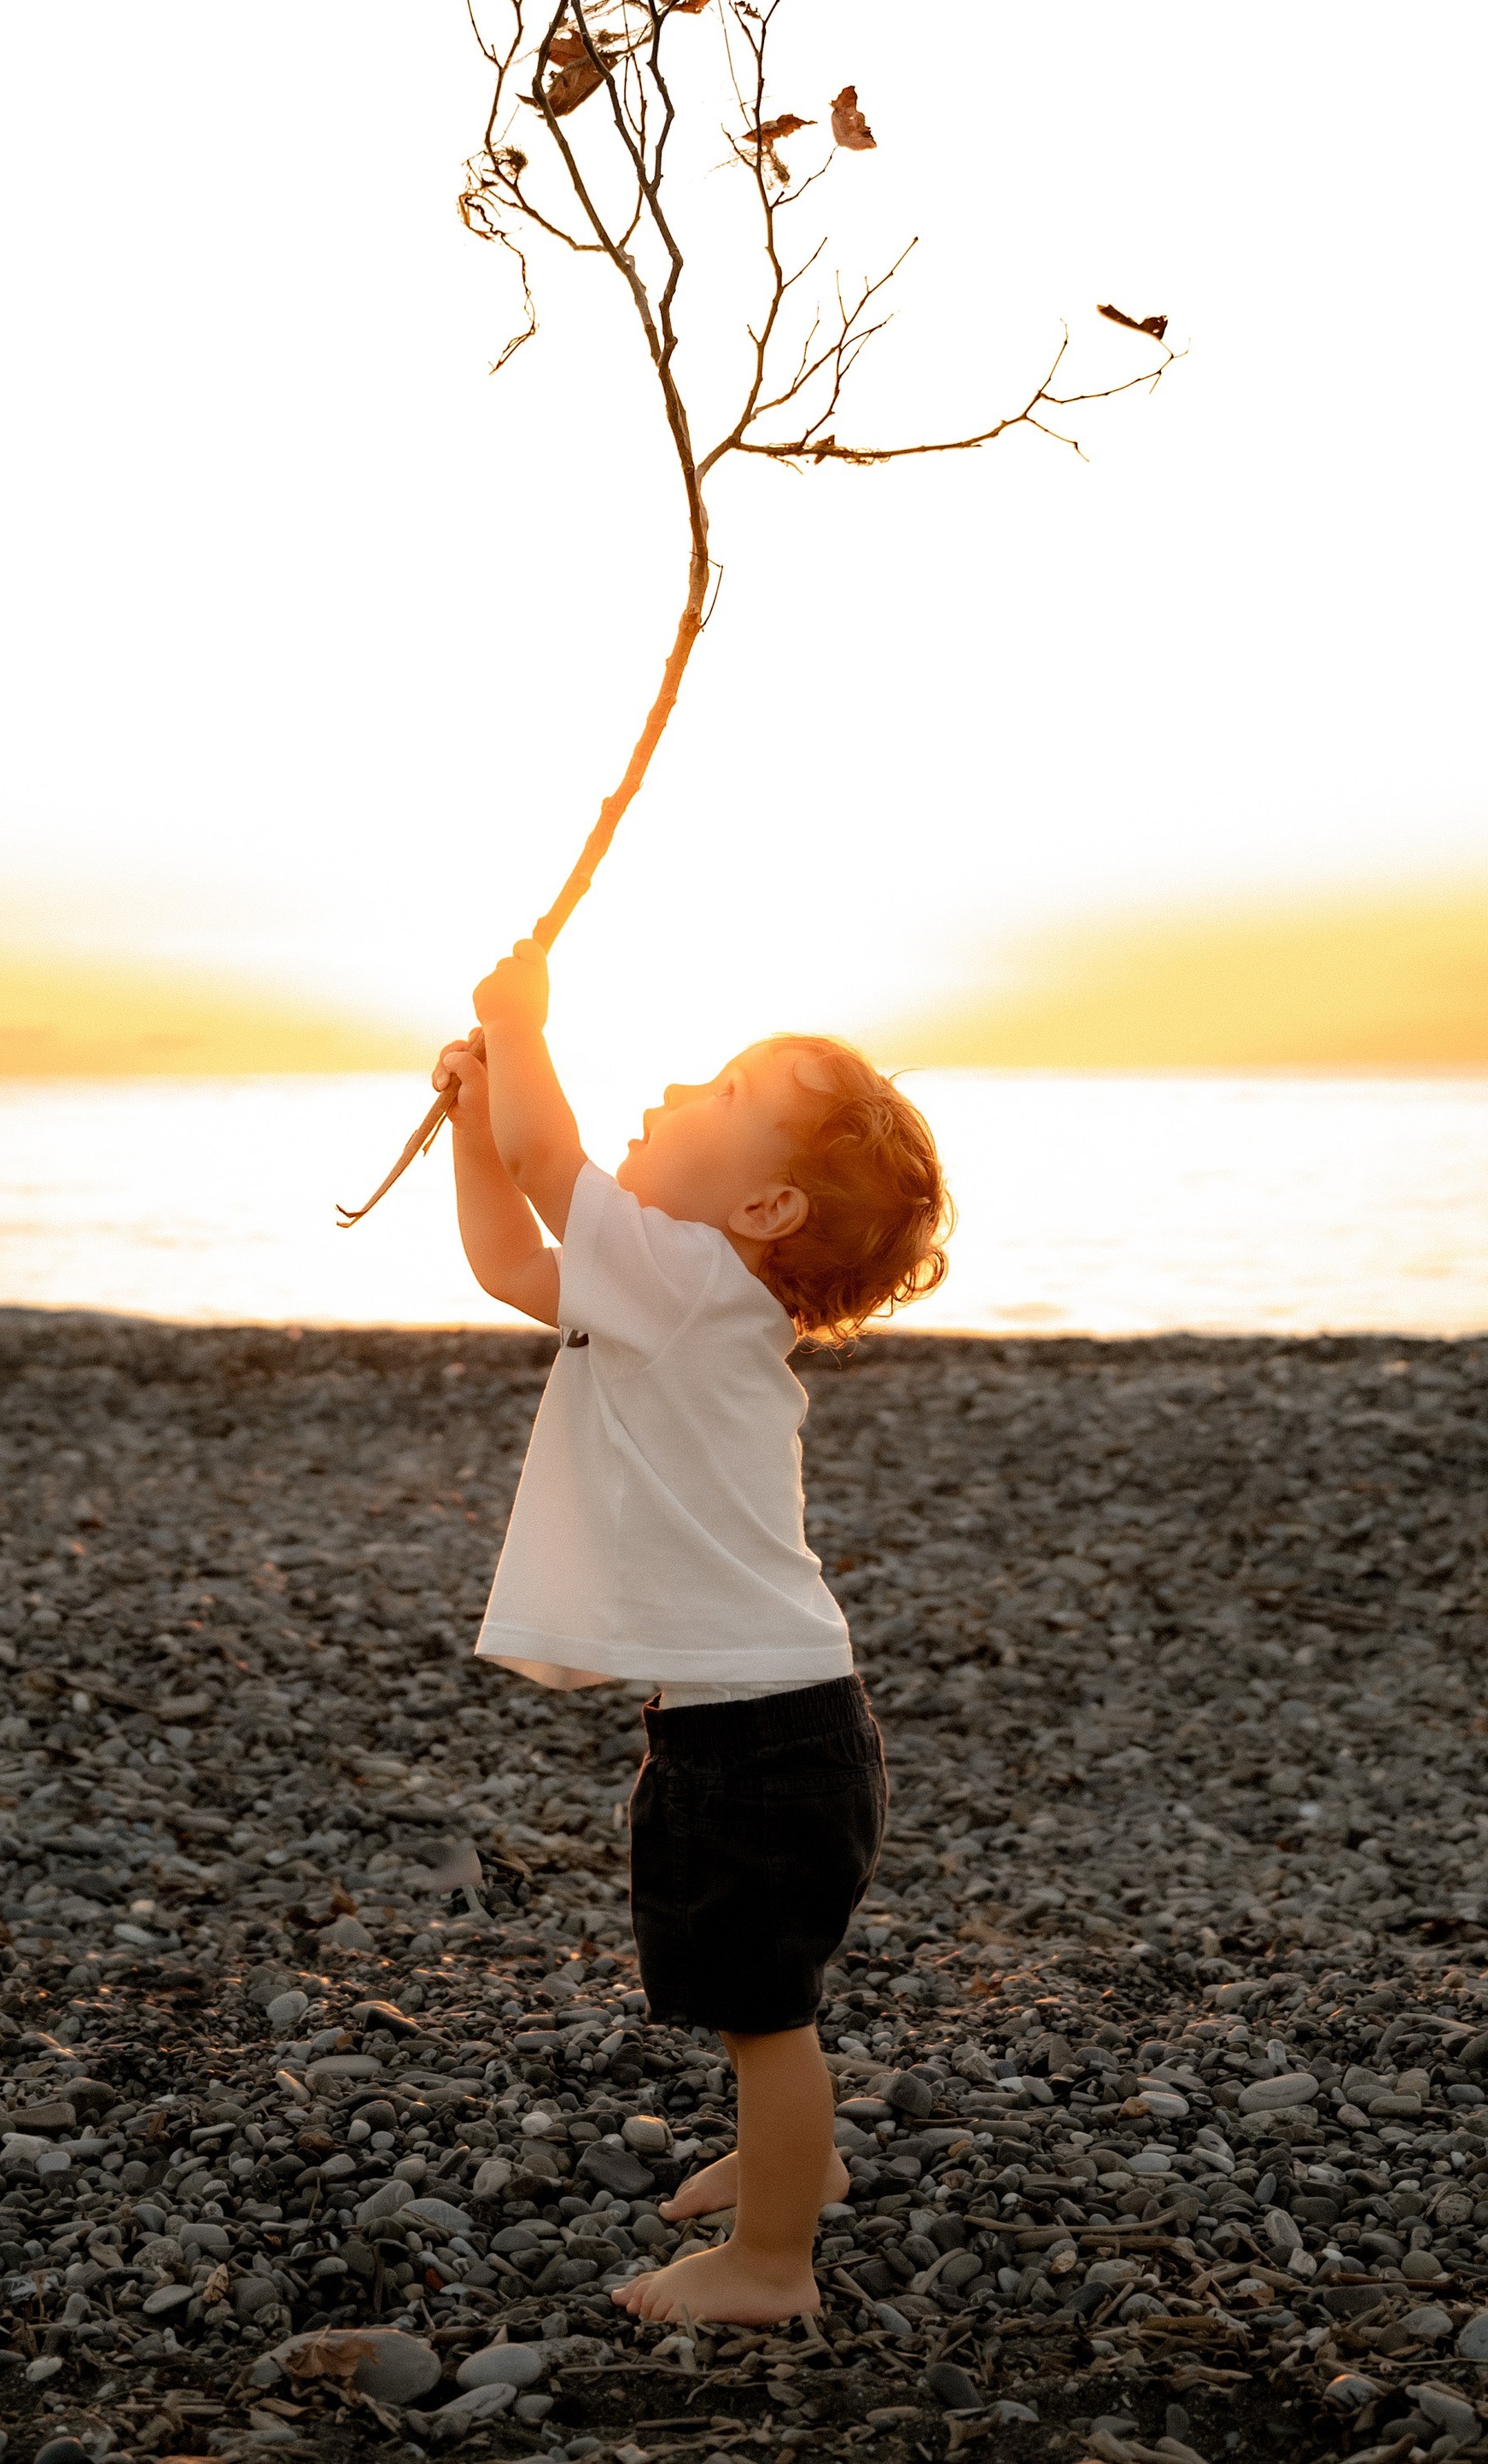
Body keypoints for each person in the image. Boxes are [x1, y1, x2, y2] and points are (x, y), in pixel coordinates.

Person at [431, 936, 951, 2326]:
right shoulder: (683, 1290)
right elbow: (507, 1258)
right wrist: (480, 1115)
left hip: (763, 1736)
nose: (677, 1086)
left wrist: (517, 1034)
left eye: (722, 1094)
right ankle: (803, 2160)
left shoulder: (690, 1281)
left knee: (760, 2008)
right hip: (773, 1716)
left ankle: (775, 2263)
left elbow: (553, 1166)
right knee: (753, 1987)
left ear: (768, 1203)